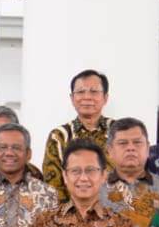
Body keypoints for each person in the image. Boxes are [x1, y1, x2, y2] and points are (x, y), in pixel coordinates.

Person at [41, 69, 112, 200]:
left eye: (94, 91)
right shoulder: (59, 137)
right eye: (80, 92)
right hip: (71, 215)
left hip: (116, 214)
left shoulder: (119, 133)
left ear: (105, 98)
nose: (87, 97)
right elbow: (53, 187)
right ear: (72, 98)